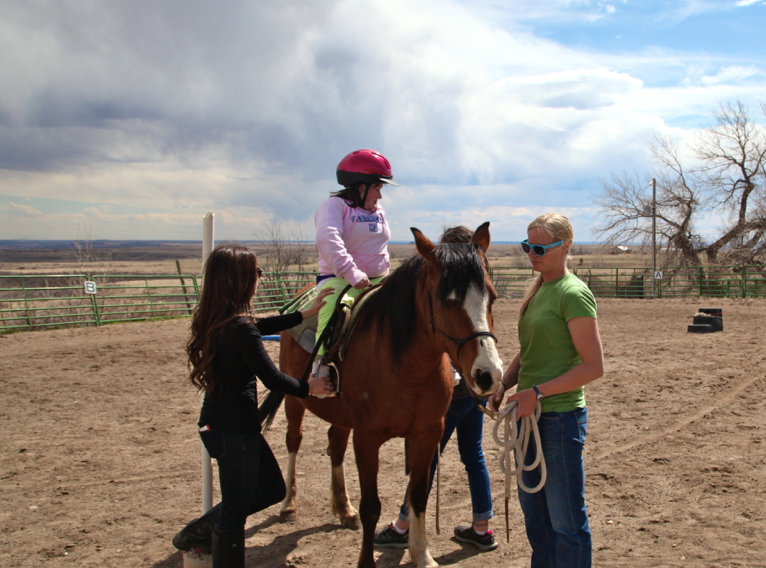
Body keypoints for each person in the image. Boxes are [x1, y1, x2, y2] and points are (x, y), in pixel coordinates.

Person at [172, 245, 333, 568]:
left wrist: (306, 313)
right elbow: (273, 379)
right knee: (235, 509)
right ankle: (196, 538)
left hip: (230, 427)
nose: (260, 278)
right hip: (232, 431)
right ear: (241, 279)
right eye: (257, 273)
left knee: (272, 489)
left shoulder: (223, 320)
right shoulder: (239, 328)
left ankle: (196, 534)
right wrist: (308, 388)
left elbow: (261, 326)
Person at [487, 213, 604, 568]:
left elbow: (593, 366)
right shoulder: (540, 290)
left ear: (564, 246)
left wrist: (535, 393)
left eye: (539, 247)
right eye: (527, 246)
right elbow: (532, 349)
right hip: (530, 419)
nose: (530, 254)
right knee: (537, 519)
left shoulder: (573, 293)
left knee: (566, 521)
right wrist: (504, 383)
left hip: (559, 418)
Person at [374, 226, 498, 552]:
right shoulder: (472, 288)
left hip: (453, 391)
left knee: (425, 457)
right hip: (474, 386)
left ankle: (403, 525)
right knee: (474, 454)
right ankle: (482, 527)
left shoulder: (448, 290)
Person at [311, 149, 398, 384]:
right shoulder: (334, 206)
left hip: (379, 278)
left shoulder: (377, 212)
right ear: (361, 186)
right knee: (332, 307)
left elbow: (379, 247)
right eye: (377, 188)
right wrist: (352, 274)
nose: (379, 196)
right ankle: (321, 364)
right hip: (339, 278)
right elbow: (327, 241)